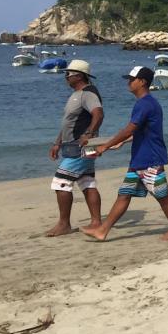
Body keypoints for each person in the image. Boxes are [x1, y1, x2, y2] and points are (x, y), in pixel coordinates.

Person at [82, 66, 168, 241]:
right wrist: (123, 142)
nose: (129, 82)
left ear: (142, 82)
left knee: (162, 195)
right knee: (124, 194)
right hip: (140, 158)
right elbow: (143, 131)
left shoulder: (145, 104)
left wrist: (105, 146)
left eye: (132, 79)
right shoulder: (147, 103)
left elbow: (130, 129)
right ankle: (103, 230)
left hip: (150, 158)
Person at [46, 60, 105, 237]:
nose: (66, 77)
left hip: (80, 145)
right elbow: (68, 122)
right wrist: (57, 142)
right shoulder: (77, 94)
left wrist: (89, 133)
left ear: (78, 76)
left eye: (68, 74)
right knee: (87, 182)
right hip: (74, 145)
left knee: (60, 182)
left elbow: (98, 113)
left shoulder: (88, 93)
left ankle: (64, 224)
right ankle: (96, 221)